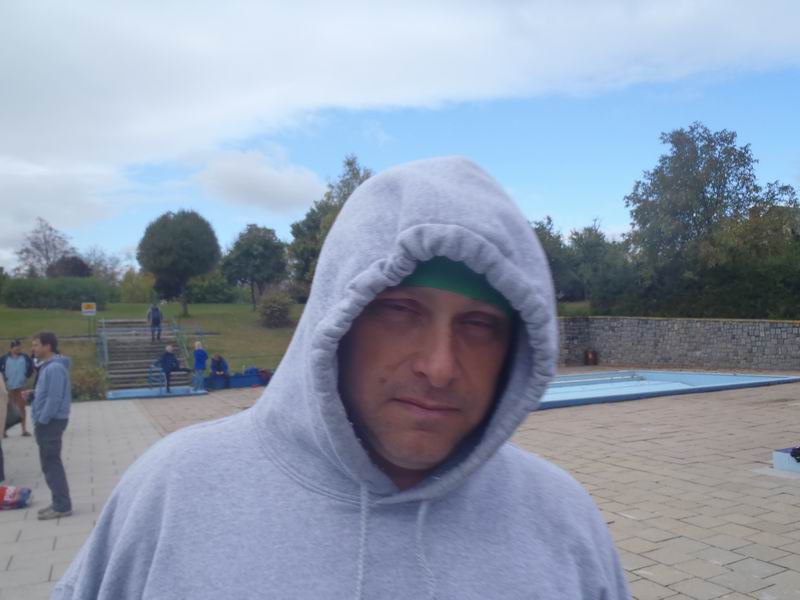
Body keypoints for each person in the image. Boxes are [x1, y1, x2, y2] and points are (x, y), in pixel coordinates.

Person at [54, 158, 630, 599]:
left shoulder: (565, 525)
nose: (439, 367)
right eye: (401, 311)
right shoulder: (170, 495)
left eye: (479, 325)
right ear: (340, 317)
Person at [24, 332, 72, 520]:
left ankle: (62, 506)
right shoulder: (48, 367)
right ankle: (58, 501)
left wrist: (42, 420)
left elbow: (54, 398)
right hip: (48, 421)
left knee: (52, 465)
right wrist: (34, 394)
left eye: (36, 344)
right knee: (49, 465)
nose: (33, 348)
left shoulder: (54, 368)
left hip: (50, 423)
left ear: (48, 346)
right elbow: (48, 393)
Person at [0, 339, 35, 437]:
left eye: (20, 346)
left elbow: (31, 367)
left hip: (21, 386)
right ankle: (3, 431)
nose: (19, 348)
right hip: (8, 387)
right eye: (17, 346)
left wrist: (26, 375)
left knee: (22, 407)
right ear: (12, 347)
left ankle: (24, 430)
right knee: (6, 409)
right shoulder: (4, 359)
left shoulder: (25, 357)